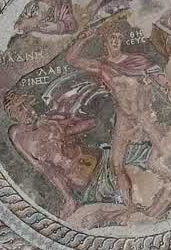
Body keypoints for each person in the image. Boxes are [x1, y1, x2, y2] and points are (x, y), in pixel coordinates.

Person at [66, 21, 165, 207]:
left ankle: (167, 184)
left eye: (119, 38)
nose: (116, 41)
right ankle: (129, 207)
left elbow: (160, 77)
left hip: (143, 114)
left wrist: (162, 83)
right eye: (112, 37)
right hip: (124, 117)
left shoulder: (138, 61)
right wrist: (83, 40)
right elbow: (71, 59)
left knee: (163, 151)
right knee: (117, 164)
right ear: (105, 41)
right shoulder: (102, 66)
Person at [5, 93, 97, 215]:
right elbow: (41, 167)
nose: (27, 111)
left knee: (80, 179)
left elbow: (89, 123)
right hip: (66, 174)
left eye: (27, 106)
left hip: (81, 165)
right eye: (21, 109)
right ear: (13, 115)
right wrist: (67, 197)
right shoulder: (16, 133)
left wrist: (65, 132)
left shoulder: (50, 126)